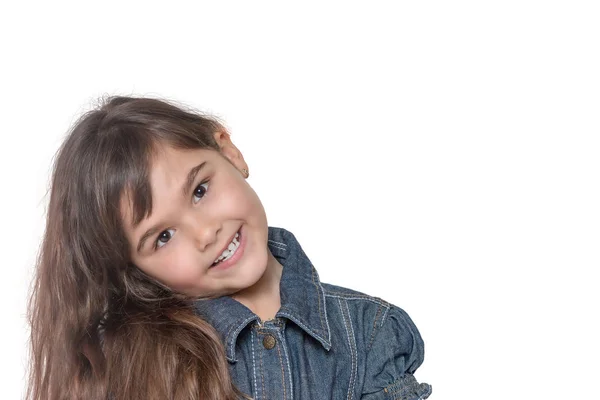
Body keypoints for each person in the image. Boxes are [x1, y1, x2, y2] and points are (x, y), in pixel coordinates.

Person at [28, 96, 431, 400]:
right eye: (163, 237)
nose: (205, 233)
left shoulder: (370, 332)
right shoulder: (124, 367)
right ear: (135, 271)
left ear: (228, 151)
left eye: (200, 190)